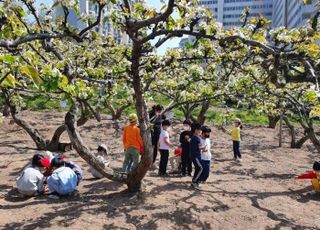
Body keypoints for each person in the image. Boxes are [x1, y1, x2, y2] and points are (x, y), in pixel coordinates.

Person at [190, 122, 203, 189]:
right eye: (199, 129)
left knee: (198, 168)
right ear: (195, 130)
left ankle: (195, 181)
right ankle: (194, 182)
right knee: (200, 168)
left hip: (197, 155)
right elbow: (198, 147)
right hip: (195, 156)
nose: (200, 131)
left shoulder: (196, 137)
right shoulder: (195, 138)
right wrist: (203, 147)